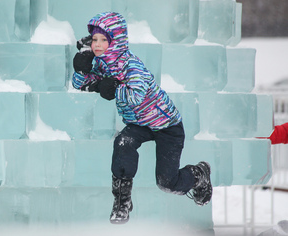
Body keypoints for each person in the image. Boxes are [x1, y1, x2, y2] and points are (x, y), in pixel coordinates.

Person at [71, 12, 213, 224]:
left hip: (166, 125)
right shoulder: (102, 64)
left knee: (166, 182)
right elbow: (81, 84)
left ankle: (198, 174)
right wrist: (82, 69)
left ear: (116, 41)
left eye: (103, 40)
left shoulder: (131, 65)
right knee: (123, 143)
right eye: (94, 40)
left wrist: (112, 87)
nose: (97, 45)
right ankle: (122, 202)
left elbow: (136, 96)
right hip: (139, 124)